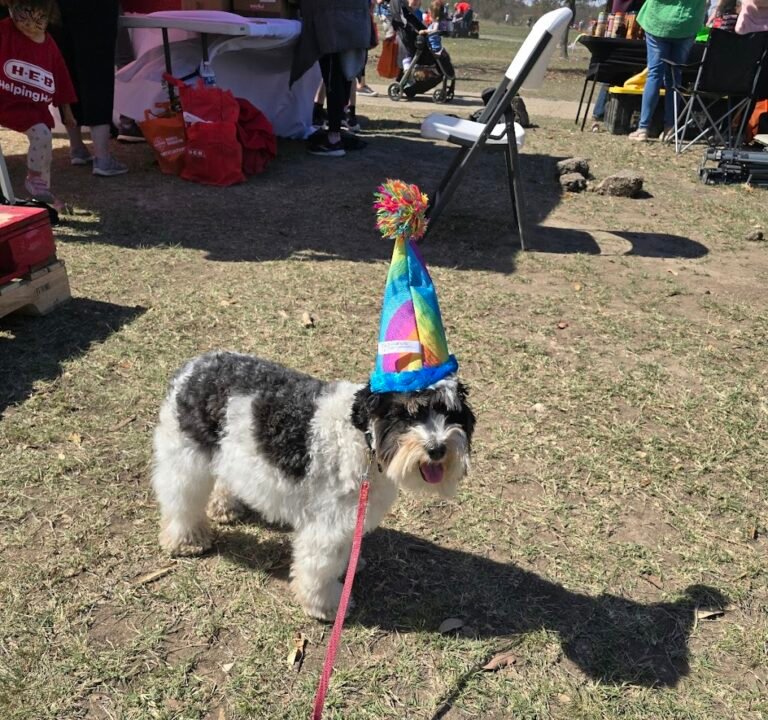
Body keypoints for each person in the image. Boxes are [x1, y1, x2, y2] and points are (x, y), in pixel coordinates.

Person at [0, 0, 77, 206]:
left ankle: (40, 187)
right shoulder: (5, 31)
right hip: (2, 100)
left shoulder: (49, 44)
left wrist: (67, 112)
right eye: (24, 17)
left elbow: (61, 78)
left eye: (38, 20)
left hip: (29, 108)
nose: (30, 25)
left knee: (43, 135)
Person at [53, 0, 128, 175]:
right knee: (97, 72)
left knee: (67, 69)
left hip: (59, 6)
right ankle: (102, 157)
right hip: (95, 9)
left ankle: (77, 147)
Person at [291, 0, 373, 157]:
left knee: (334, 81)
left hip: (334, 27)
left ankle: (334, 138)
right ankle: (336, 131)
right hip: (352, 23)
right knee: (343, 78)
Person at [628, 0, 707, 142]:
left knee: (654, 74)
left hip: (658, 21)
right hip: (687, 22)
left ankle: (643, 129)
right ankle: (670, 128)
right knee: (675, 75)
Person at [420, 0, 455, 79]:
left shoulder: (436, 23)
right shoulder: (433, 23)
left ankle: (434, 71)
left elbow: (435, 30)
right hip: (433, 47)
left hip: (434, 48)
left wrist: (425, 31)